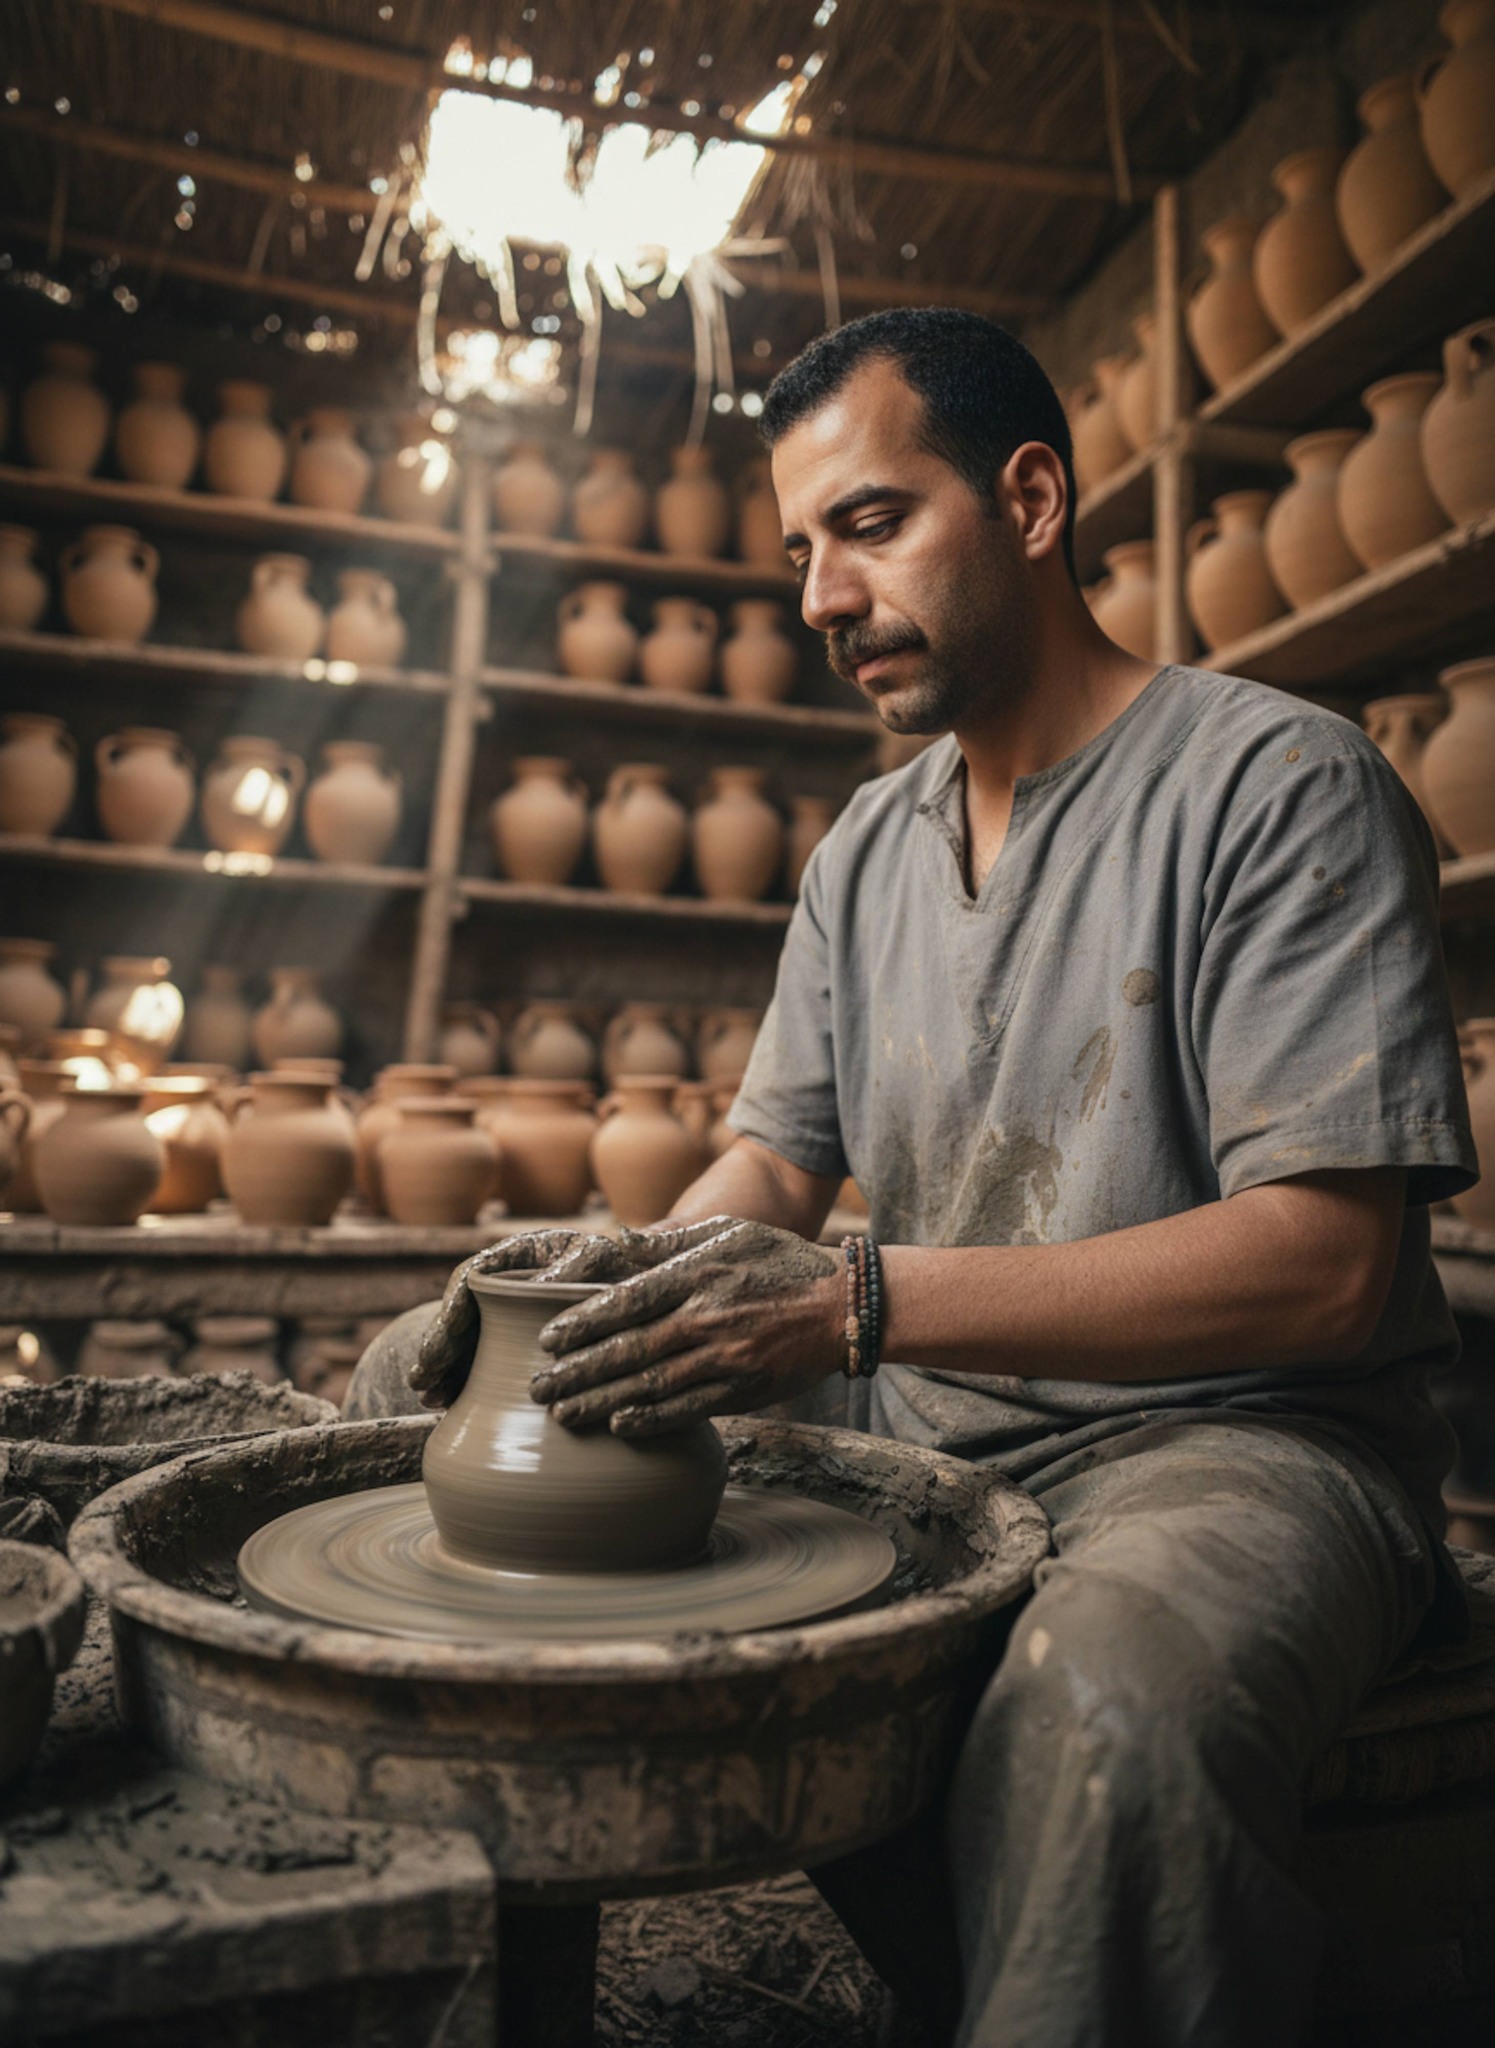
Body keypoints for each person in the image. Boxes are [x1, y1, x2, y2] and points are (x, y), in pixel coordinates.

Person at [372, 309, 1476, 2047]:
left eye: (870, 526)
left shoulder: (1277, 785)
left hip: (1246, 1442)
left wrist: (858, 1306)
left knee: (1102, 1702)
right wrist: (595, 1283)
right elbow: (774, 1167)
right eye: (802, 549)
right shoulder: (865, 856)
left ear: (1030, 499)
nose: (819, 597)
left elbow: (1326, 1266)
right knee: (447, 1421)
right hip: (931, 1433)